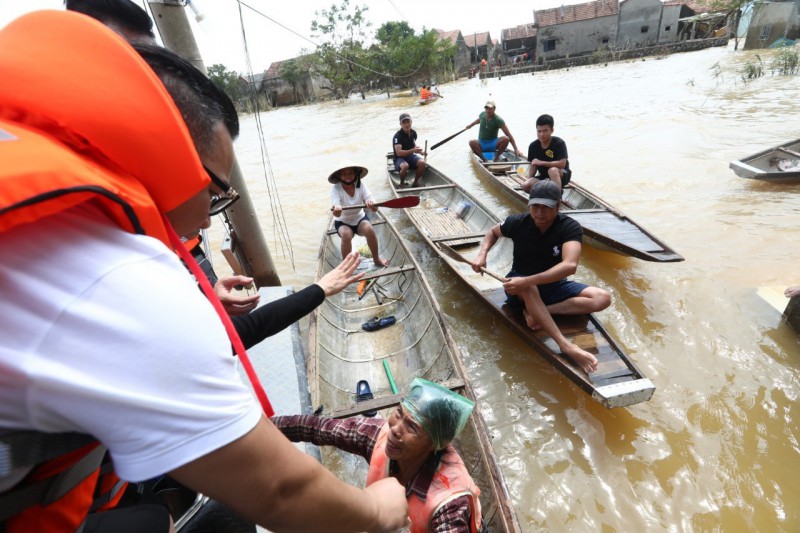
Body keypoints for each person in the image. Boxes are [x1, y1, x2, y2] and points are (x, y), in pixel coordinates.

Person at [0, 11, 407, 532]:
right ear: (164, 157)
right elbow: (282, 490)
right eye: (216, 191)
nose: (212, 210)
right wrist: (378, 510)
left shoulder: (50, 206)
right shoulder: (124, 284)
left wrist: (209, 295)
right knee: (223, 515)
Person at [273, 378, 483, 533]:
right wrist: (265, 427)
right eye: (399, 413)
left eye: (412, 427)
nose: (394, 429)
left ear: (433, 444)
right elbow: (318, 428)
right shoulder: (379, 435)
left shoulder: (450, 504)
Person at [470, 180, 611, 373]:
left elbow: (570, 266)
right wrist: (482, 254)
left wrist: (529, 280)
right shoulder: (517, 222)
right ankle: (565, 345)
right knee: (528, 287)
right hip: (521, 287)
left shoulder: (570, 227)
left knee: (603, 298)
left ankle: (537, 311)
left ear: (558, 206)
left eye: (546, 207)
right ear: (529, 205)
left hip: (553, 285)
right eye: (535, 206)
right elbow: (492, 232)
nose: (539, 212)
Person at [330, 162, 389, 267]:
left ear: (355, 174)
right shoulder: (336, 189)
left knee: (369, 229)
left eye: (350, 173)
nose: (347, 176)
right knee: (346, 235)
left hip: (359, 218)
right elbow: (337, 213)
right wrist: (337, 210)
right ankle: (346, 266)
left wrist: (371, 204)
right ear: (339, 176)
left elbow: (375, 209)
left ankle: (376, 259)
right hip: (343, 221)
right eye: (344, 174)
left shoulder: (360, 185)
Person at [521, 113, 571, 192]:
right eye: (539, 131)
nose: (542, 134)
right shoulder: (533, 146)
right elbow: (533, 165)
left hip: (561, 175)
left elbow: (562, 164)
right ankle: (544, 194)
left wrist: (541, 163)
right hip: (544, 177)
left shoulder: (559, 143)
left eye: (545, 131)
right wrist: (529, 181)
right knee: (526, 185)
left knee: (552, 171)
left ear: (552, 130)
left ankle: (558, 197)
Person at [393, 113, 427, 189]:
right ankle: (401, 183)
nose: (406, 124)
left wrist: (421, 152)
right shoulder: (397, 136)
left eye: (408, 122)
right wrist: (413, 150)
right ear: (400, 124)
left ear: (411, 122)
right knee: (405, 166)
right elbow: (399, 153)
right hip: (399, 158)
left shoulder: (413, 133)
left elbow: (413, 145)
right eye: (404, 123)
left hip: (410, 156)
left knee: (422, 163)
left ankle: (415, 183)